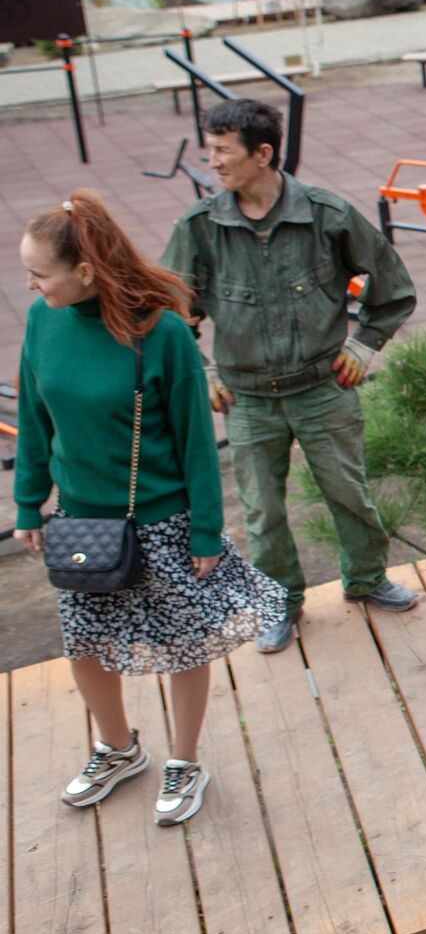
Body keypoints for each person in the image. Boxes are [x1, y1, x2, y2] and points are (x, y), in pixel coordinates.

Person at [15, 192, 286, 826]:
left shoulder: (161, 333)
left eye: (39, 272)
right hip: (81, 521)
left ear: (85, 271)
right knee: (84, 644)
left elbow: (196, 440)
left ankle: (185, 761)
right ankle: (119, 749)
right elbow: (34, 414)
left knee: (184, 645)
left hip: (162, 522)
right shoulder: (42, 320)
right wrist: (29, 503)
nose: (30, 284)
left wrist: (205, 530)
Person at [163, 99, 419, 654]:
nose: (213, 162)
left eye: (223, 151)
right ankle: (279, 604)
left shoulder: (327, 214)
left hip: (323, 389)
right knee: (262, 513)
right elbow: (167, 313)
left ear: (263, 154)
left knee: (349, 494)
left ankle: (367, 579)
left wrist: (364, 344)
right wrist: (202, 368)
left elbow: (393, 286)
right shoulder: (199, 227)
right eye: (210, 151)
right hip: (247, 399)